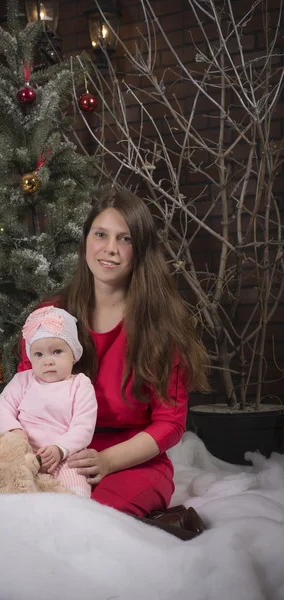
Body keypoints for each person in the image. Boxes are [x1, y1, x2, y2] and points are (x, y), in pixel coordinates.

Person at [17, 189, 210, 519]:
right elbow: (23, 393)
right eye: (101, 234)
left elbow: (170, 423)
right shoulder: (50, 316)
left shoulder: (159, 324)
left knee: (96, 522)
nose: (110, 249)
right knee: (30, 518)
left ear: (140, 251)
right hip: (55, 453)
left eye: (125, 239)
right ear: (86, 241)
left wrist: (107, 461)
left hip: (131, 461)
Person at [0, 306, 98, 498]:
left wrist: (60, 448)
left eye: (57, 352)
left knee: (75, 484)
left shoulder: (80, 385)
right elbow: (1, 407)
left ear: (73, 354)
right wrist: (14, 430)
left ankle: (75, 511)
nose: (47, 361)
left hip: (64, 456)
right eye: (39, 354)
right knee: (11, 481)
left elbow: (83, 426)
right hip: (24, 453)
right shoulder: (23, 380)